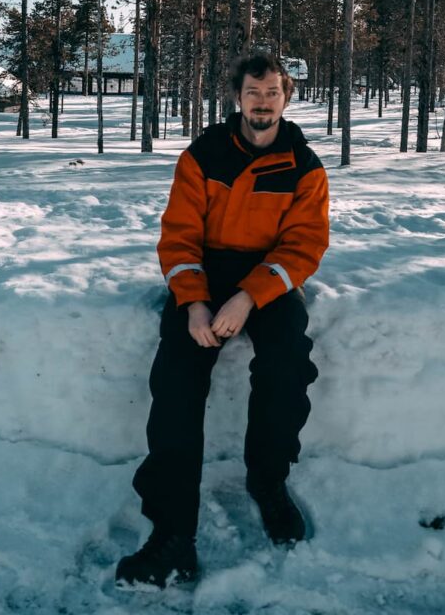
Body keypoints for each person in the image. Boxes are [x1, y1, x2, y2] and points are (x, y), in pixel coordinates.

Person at [116, 53, 330, 589]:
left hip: (270, 278)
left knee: (287, 368)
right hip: (204, 276)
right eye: (253, 92)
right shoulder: (203, 155)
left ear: (287, 97)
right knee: (176, 384)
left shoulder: (305, 166)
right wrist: (193, 301)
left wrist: (248, 299)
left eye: (272, 92)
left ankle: (268, 481)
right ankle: (171, 535)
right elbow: (179, 235)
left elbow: (305, 244)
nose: (262, 102)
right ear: (238, 97)